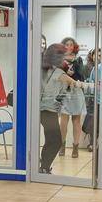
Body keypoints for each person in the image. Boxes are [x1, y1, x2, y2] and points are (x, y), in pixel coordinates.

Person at [39, 43, 81, 174]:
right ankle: (44, 166)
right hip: (48, 110)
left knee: (50, 139)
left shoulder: (44, 69)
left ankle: (43, 166)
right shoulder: (58, 72)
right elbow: (75, 83)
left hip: (42, 109)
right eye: (63, 55)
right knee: (56, 140)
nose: (65, 58)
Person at [59, 37, 86, 158]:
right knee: (63, 121)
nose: (69, 47)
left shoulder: (79, 60)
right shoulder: (59, 60)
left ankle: (75, 146)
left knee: (76, 120)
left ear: (74, 47)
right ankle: (62, 145)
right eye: (66, 45)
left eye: (71, 45)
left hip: (76, 92)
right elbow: (57, 75)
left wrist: (72, 74)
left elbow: (81, 76)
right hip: (64, 92)